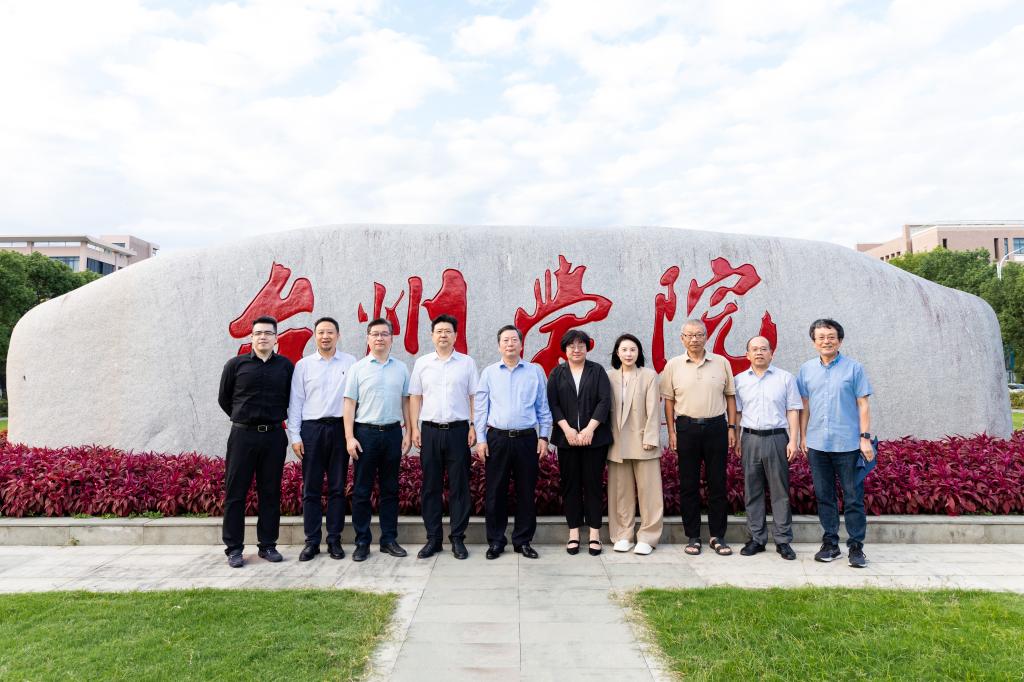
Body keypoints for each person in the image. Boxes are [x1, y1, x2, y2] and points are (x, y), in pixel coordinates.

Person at [217, 315, 294, 568]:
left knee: (270, 492)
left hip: (273, 436)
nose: (263, 337)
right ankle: (234, 549)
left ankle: (268, 545)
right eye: (258, 333)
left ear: (275, 338)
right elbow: (224, 399)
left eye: (268, 333)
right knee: (235, 492)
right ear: (251, 337)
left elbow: (291, 399)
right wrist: (243, 417)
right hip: (243, 435)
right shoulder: (235, 365)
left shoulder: (285, 367)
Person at [797, 318, 874, 568]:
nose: (826, 341)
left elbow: (863, 404)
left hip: (848, 445)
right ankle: (830, 544)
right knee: (824, 496)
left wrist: (865, 438)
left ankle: (856, 547)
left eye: (831, 337)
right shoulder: (806, 370)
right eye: (821, 337)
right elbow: (804, 406)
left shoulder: (854, 368)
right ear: (814, 342)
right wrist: (803, 436)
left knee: (853, 497)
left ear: (839, 341)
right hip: (817, 445)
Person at [474, 325, 552, 560]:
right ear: (499, 346)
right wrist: (481, 439)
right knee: (495, 492)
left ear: (521, 344)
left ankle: (523, 541)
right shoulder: (489, 373)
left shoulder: (534, 372)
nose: (510, 344)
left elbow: (543, 407)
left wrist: (544, 436)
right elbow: (481, 409)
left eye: (514, 340)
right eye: (505, 340)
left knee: (526, 491)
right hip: (497, 439)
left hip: (526, 439)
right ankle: (496, 541)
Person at [660, 319, 737, 557]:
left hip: (716, 427)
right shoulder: (673, 365)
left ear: (706, 336)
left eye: (699, 335)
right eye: (690, 335)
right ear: (682, 338)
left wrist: (732, 427)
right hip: (686, 428)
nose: (695, 339)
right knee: (688, 484)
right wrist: (671, 432)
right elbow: (669, 401)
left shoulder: (721, 362)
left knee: (717, 484)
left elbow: (730, 396)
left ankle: (717, 536)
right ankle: (693, 536)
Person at [409, 314, 479, 560]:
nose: (443, 335)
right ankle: (433, 539)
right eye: (439, 331)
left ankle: (457, 538)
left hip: (458, 431)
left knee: (460, 486)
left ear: (455, 335)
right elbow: (415, 397)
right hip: (430, 431)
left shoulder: (467, 363)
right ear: (432, 335)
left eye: (448, 331)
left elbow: (474, 397)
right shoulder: (422, 363)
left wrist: (473, 425)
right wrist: (415, 428)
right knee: (431, 487)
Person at [287, 316, 356, 562]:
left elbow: (354, 400)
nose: (325, 336)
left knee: (338, 488)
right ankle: (312, 542)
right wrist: (295, 436)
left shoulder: (350, 362)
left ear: (338, 335)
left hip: (339, 429)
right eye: (321, 332)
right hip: (312, 430)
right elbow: (296, 402)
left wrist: (351, 434)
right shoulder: (303, 366)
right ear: (315, 336)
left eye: (330, 332)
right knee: (311, 489)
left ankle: (334, 540)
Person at [343, 318, 411, 562]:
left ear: (392, 338)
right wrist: (349, 437)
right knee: (362, 490)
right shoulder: (358, 368)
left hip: (392, 433)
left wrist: (409, 431)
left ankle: (388, 540)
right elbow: (349, 404)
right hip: (365, 434)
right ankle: (362, 542)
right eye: (375, 334)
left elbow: (406, 401)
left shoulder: (401, 368)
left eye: (384, 334)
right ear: (368, 338)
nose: (379, 338)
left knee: (390, 490)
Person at [733, 336, 802, 561]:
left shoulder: (785, 378)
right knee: (752, 490)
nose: (759, 352)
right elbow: (737, 413)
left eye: (764, 349)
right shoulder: (739, 380)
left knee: (780, 491)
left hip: (777, 438)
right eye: (754, 349)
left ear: (771, 353)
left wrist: (793, 440)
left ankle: (783, 541)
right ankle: (756, 539)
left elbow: (793, 410)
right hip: (750, 438)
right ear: (747, 355)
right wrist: (737, 439)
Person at [547, 330, 612, 556]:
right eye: (572, 346)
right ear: (565, 349)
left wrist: (589, 429)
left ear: (587, 348)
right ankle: (573, 533)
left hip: (594, 439)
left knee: (593, 485)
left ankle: (594, 534)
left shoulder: (597, 371)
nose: (576, 349)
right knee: (571, 486)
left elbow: (604, 401)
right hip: (567, 440)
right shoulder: (557, 373)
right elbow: (553, 404)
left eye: (581, 345)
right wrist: (567, 430)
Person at [606, 333, 663, 555]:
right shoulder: (609, 376)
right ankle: (623, 535)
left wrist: (651, 437)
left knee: (650, 493)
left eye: (633, 349)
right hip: (617, 442)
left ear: (639, 353)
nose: (628, 354)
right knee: (621, 493)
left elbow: (654, 409)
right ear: (617, 353)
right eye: (624, 350)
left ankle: (648, 537)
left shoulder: (649, 375)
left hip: (642, 441)